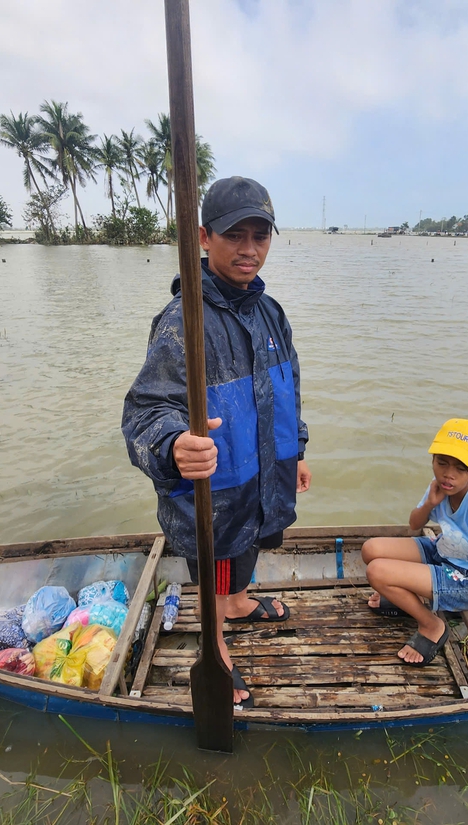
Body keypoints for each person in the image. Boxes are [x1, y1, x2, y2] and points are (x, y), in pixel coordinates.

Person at [122, 176, 311, 708]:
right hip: (214, 490)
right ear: (204, 238)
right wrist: (173, 445)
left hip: (265, 478)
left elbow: (289, 386)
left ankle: (241, 602)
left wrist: (295, 450)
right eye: (235, 236)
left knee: (249, 551)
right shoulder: (183, 321)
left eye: (260, 235)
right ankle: (216, 644)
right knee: (213, 564)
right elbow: (144, 411)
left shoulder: (270, 313)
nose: (250, 249)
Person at [361, 419, 468, 666]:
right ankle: (405, 600)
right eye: (441, 463)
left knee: (377, 572)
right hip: (445, 551)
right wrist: (430, 504)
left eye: (459, 468)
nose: (448, 474)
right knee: (370, 549)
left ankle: (431, 624)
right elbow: (415, 524)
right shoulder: (442, 487)